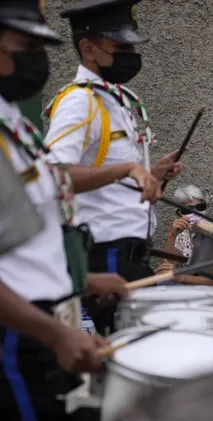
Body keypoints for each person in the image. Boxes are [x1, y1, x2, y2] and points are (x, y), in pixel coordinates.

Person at [0, 2, 132, 421]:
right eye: (25, 45)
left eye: (40, 47)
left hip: (47, 325)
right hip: (18, 336)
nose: (37, 59)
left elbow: (25, 248)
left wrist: (81, 279)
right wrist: (54, 334)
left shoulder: (15, 126)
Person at [43, 0, 184, 336]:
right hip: (105, 251)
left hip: (129, 252)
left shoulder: (115, 99)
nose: (131, 53)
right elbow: (54, 176)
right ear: (88, 48)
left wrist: (151, 175)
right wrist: (125, 170)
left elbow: (112, 181)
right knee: (128, 351)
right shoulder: (79, 101)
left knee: (139, 349)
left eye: (133, 45)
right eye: (121, 46)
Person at [155, 184, 213, 322]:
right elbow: (167, 268)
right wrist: (171, 236)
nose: (195, 213)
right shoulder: (182, 236)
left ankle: (188, 311)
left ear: (205, 208)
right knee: (159, 286)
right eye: (187, 209)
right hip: (195, 292)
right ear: (179, 214)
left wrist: (180, 277)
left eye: (199, 207)